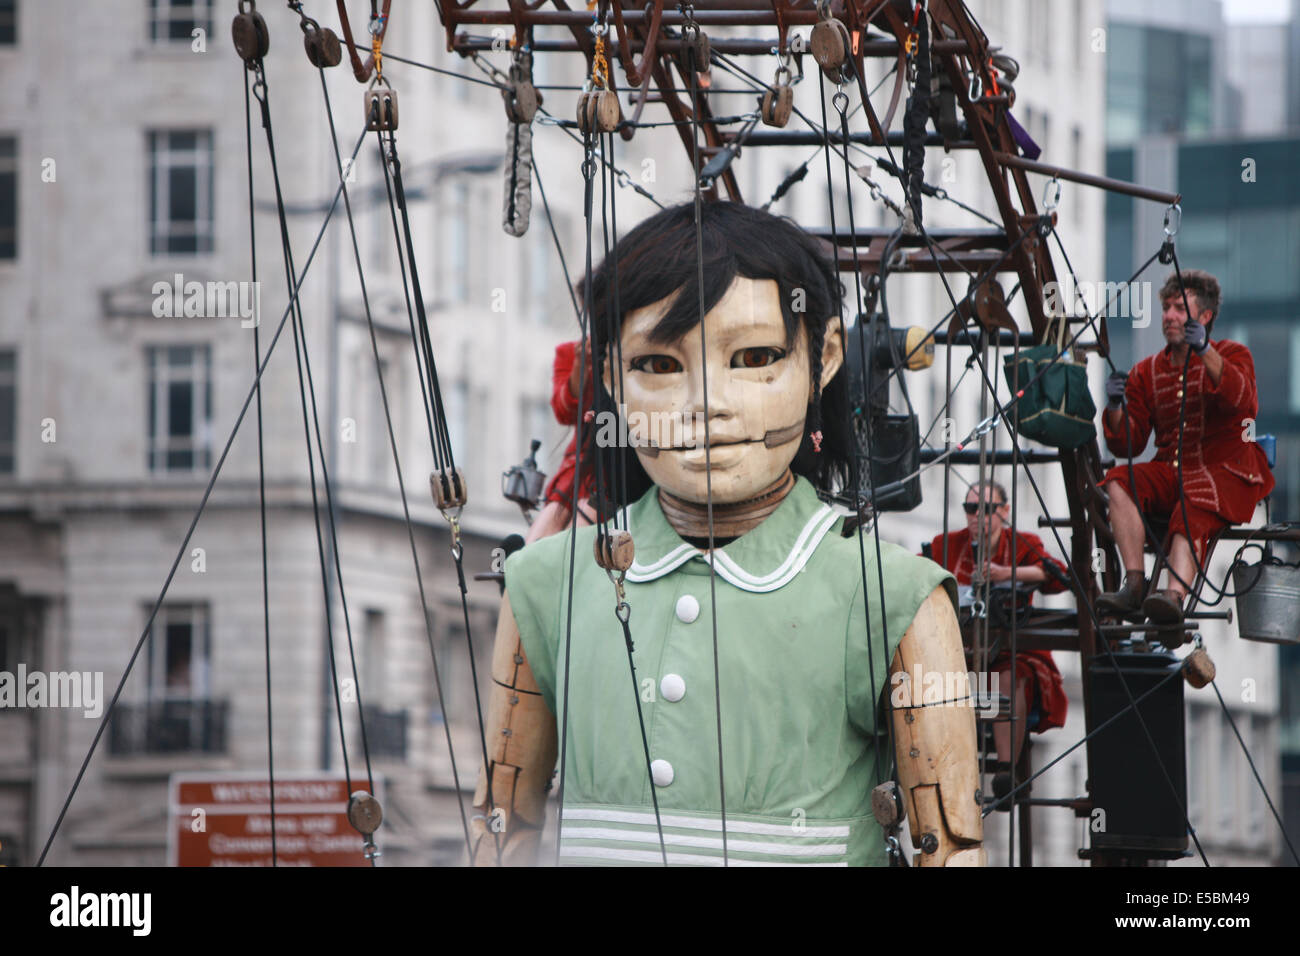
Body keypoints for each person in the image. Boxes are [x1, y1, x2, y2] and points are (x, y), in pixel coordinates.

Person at [469, 201, 985, 866]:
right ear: (607, 373)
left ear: (823, 357)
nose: (704, 404)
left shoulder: (896, 597)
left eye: (755, 357)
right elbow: (500, 825)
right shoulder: (545, 584)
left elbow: (950, 846)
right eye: (658, 364)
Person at [1096, 270, 1274, 626]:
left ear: (1204, 317)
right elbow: (1129, 443)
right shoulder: (1147, 371)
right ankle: (1134, 583)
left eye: (1179, 308)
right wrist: (1115, 407)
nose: (1169, 316)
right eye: (1166, 308)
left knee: (1193, 501)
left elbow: (1243, 403)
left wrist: (1205, 350)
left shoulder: (1233, 353)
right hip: (1172, 471)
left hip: (1228, 472)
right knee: (1118, 480)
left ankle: (1172, 597)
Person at [926, 480, 1070, 790]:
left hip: (1009, 653)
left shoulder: (1023, 543)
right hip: (957, 652)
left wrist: (1007, 574)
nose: (978, 515)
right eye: (971, 508)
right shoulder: (946, 544)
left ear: (1004, 511)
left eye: (987, 509)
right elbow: (918, 573)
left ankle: (1006, 768)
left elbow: (1056, 575)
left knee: (1007, 679)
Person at [524, 340, 597, 543]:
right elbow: (564, 412)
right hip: (581, 468)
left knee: (576, 541)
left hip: (625, 464)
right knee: (536, 545)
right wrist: (580, 367)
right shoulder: (568, 352)